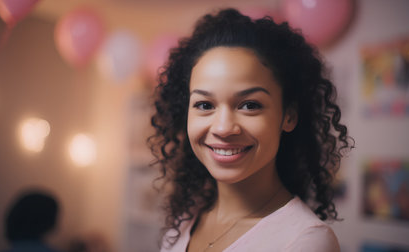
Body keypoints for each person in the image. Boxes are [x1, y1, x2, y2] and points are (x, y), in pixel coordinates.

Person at [149, 8, 354, 252]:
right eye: (204, 105)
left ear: (288, 115)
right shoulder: (184, 222)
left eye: (249, 105)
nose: (224, 128)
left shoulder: (305, 242)